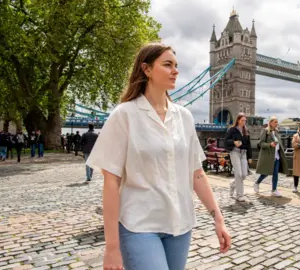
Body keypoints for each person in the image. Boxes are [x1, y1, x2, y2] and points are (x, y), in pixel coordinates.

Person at [85, 43, 231, 270]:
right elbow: (111, 181)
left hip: (180, 226)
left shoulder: (185, 117)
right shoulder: (124, 115)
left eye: (176, 65)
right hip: (139, 226)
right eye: (167, 65)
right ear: (147, 69)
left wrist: (218, 218)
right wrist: (111, 247)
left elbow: (197, 173)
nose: (176, 71)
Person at [253, 116, 288, 197]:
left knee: (275, 174)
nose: (277, 123)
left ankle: (274, 190)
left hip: (277, 156)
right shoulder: (265, 131)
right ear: (271, 123)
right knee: (266, 173)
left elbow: (279, 143)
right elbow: (261, 143)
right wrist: (270, 144)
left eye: (277, 122)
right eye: (275, 122)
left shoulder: (276, 132)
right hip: (269, 156)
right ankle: (257, 183)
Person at [224, 113, 252, 202]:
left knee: (244, 174)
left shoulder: (246, 131)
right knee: (239, 174)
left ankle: (233, 184)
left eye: (245, 120)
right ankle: (240, 195)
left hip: (243, 153)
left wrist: (250, 157)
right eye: (242, 120)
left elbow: (249, 145)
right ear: (238, 120)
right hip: (235, 152)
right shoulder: (232, 130)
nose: (244, 122)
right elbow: (226, 141)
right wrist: (234, 142)